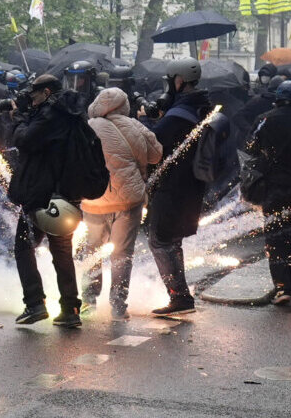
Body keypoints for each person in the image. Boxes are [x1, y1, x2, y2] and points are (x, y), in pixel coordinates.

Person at [79, 87, 162, 320]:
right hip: (128, 201)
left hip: (94, 199)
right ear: (124, 105)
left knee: (92, 250)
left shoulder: (88, 127)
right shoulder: (134, 126)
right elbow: (156, 155)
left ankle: (88, 300)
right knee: (122, 253)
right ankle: (118, 305)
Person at [8, 74, 83, 328]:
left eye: (34, 93)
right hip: (67, 194)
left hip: (41, 196)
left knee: (23, 247)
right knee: (62, 252)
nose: (31, 98)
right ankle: (71, 308)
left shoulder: (51, 116)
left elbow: (24, 140)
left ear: (47, 92)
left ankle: (35, 303)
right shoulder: (73, 114)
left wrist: (19, 117)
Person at [244, 81, 291, 304]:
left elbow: (250, 147)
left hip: (273, 188)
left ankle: (281, 286)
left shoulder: (265, 119)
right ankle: (289, 282)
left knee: (275, 236)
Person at [141, 58, 208, 316]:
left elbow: (154, 146)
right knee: (172, 240)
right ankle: (181, 295)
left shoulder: (180, 115)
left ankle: (179, 297)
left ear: (179, 81)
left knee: (160, 240)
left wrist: (147, 124)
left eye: (170, 82)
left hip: (172, 187)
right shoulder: (200, 106)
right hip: (191, 185)